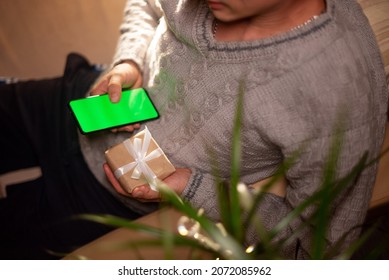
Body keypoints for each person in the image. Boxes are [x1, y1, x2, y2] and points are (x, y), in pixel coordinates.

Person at [0, 0, 387, 259]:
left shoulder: (342, 91)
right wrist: (128, 64)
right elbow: (147, 4)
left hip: (101, 200)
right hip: (80, 98)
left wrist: (192, 187)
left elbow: (313, 245)